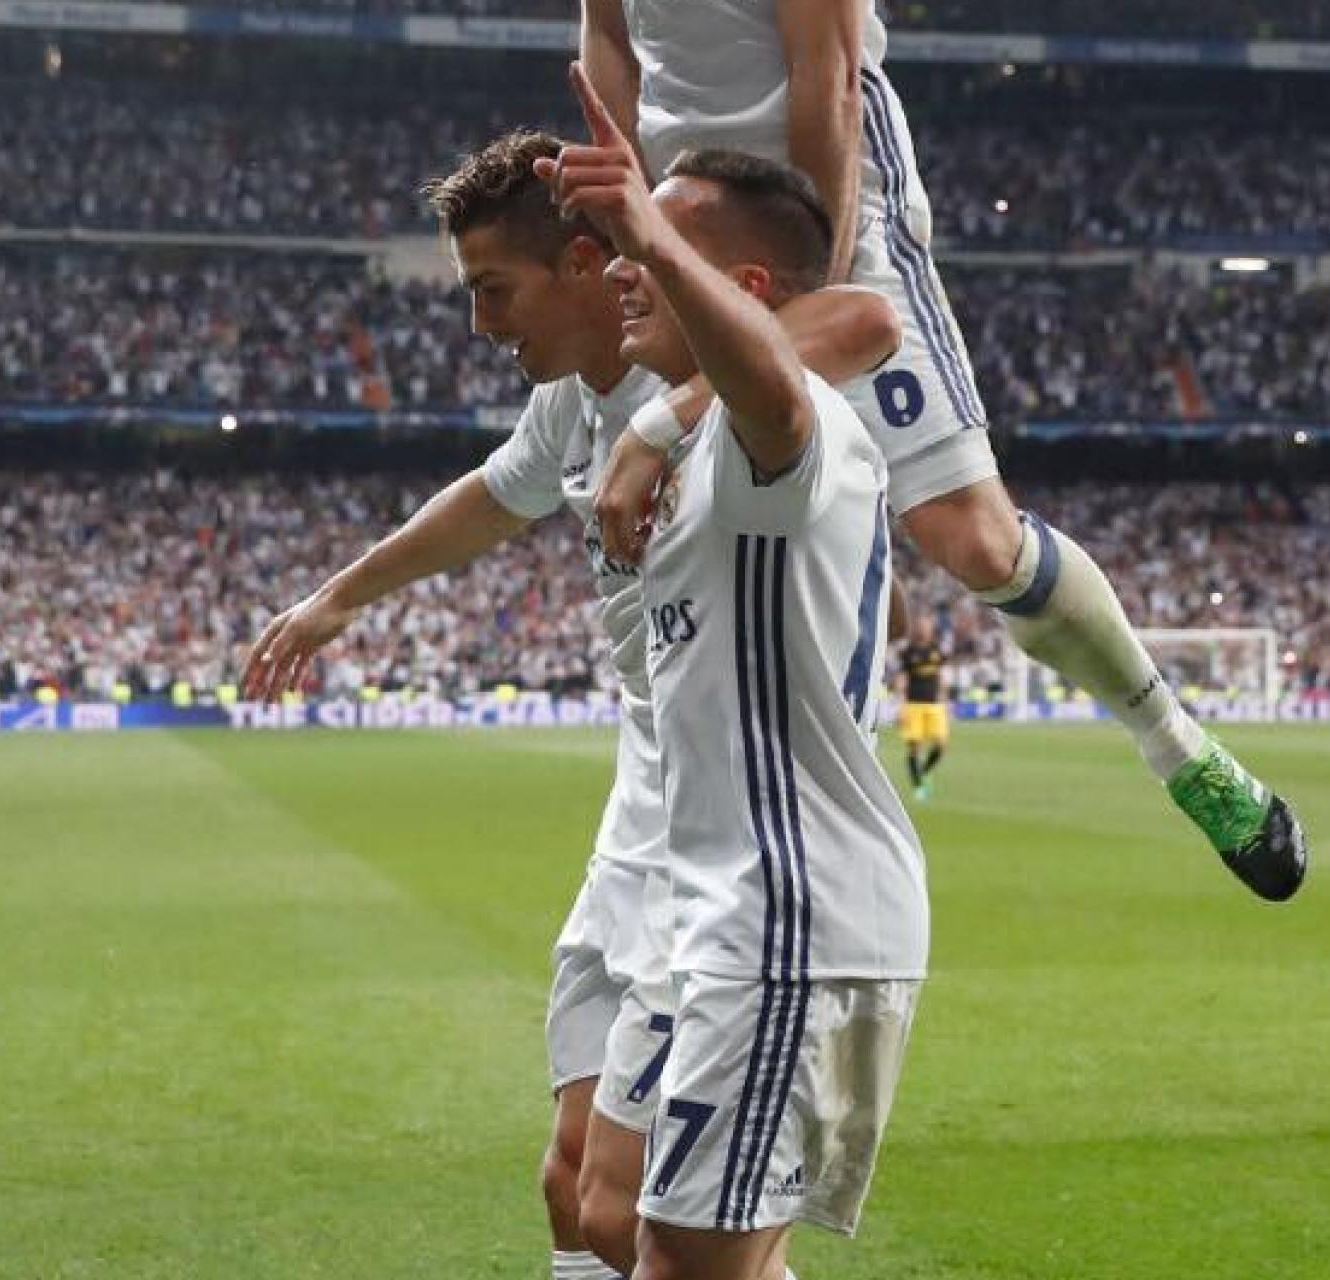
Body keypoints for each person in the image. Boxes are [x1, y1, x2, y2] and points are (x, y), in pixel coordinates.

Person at [241, 129, 902, 1280]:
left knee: (645, 1222)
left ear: (594, 265)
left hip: (767, 862)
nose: (482, 326)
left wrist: (657, 419)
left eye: (495, 290)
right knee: (586, 1195)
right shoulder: (576, 396)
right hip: (666, 810)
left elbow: (859, 323)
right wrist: (338, 598)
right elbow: (491, 496)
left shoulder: (716, 390)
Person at [582, 0, 1308, 903]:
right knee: (703, 528)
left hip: (829, 202)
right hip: (680, 217)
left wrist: (820, 291)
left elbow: (831, 78)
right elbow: (610, 40)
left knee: (972, 539)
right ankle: (731, 856)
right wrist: (633, 230)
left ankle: (1178, 748)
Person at [540, 63, 928, 1280]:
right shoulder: (702, 436)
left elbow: (813, 354)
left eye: (650, 252)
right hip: (723, 915)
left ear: (742, 288)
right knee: (639, 1230)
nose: (617, 267)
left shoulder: (780, 431)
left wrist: (651, 228)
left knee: (678, 1266)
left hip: (791, 918)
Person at [896, 613, 948, 801]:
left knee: (941, 746)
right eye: (921, 626)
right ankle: (918, 786)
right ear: (917, 629)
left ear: (931, 629)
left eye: (927, 626)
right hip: (913, 705)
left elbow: (941, 676)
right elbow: (902, 679)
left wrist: (945, 700)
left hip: (935, 706)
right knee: (915, 748)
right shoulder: (908, 652)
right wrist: (901, 705)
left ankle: (924, 772)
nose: (924, 630)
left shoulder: (937, 650)